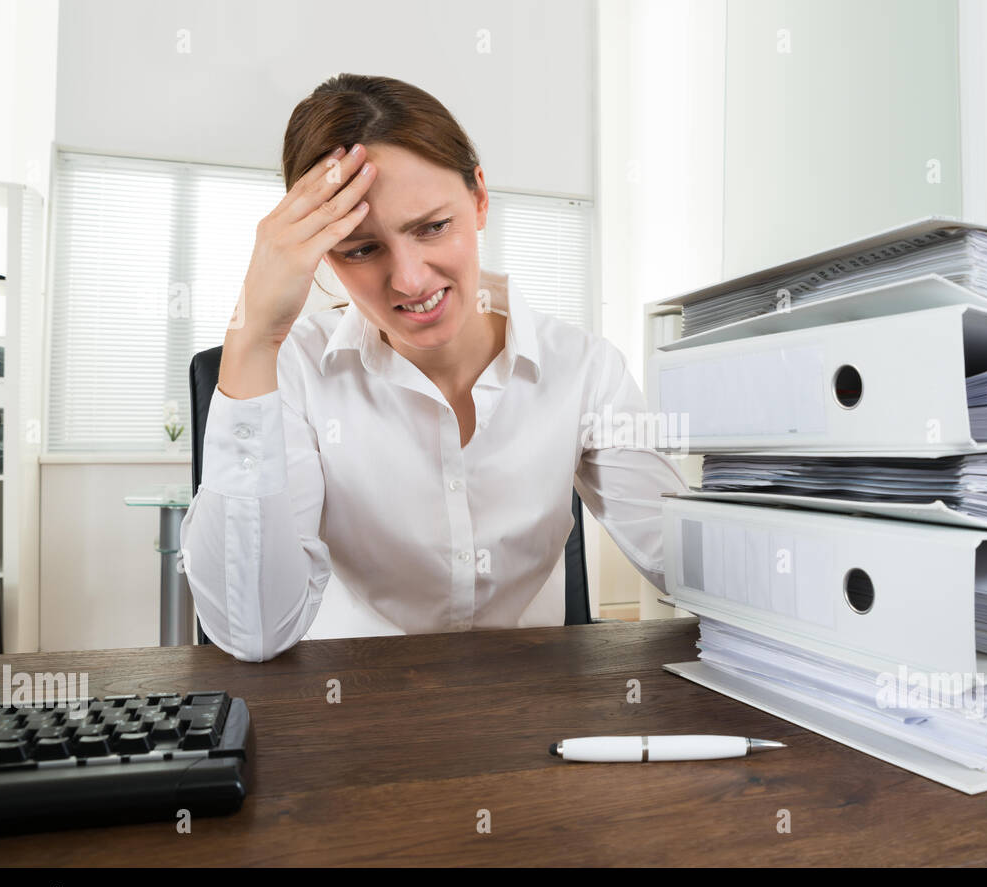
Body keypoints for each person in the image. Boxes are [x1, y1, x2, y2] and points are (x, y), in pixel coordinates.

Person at [178, 73, 689, 662]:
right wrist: (252, 339)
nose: (411, 280)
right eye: (362, 249)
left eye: (432, 227)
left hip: (531, 717)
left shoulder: (584, 369)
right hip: (349, 714)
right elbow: (253, 632)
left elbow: (686, 568)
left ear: (479, 199)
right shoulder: (294, 371)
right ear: (323, 254)